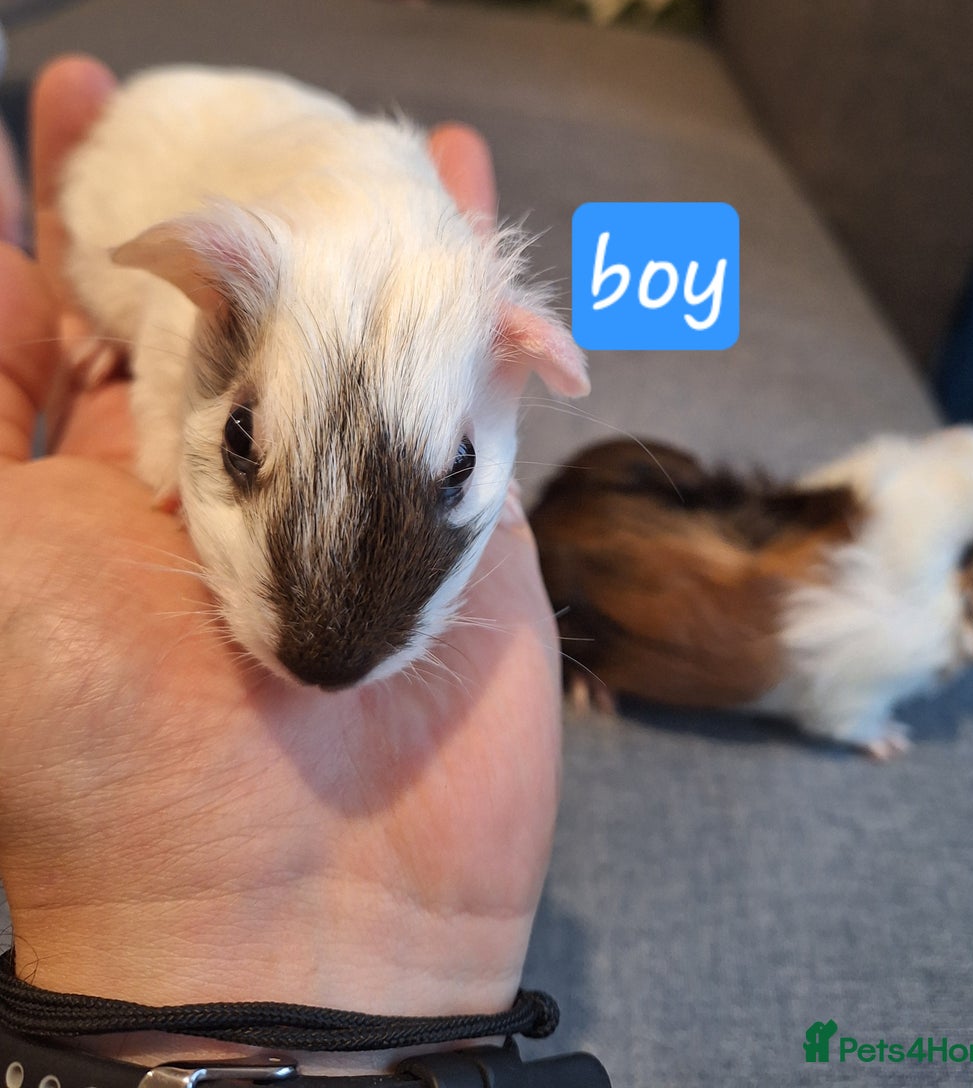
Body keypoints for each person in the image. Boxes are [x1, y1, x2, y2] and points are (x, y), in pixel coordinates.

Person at [0, 57, 562, 1069]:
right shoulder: (217, 274)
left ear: (517, 358)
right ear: (203, 287)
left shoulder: (470, 326)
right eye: (245, 444)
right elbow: (160, 328)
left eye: (458, 475)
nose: (331, 654)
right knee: (84, 234)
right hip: (178, 131)